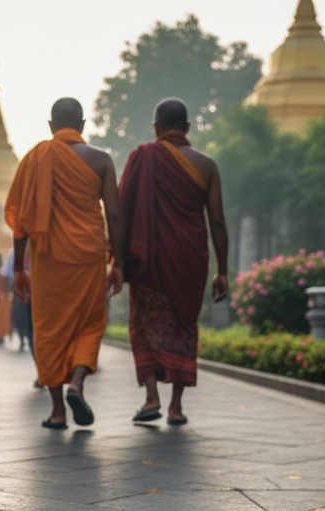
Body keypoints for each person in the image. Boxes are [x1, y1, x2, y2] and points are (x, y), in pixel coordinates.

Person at [6, 98, 124, 429]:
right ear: (83, 125)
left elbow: (22, 220)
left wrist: (19, 268)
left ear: (50, 126)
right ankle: (78, 383)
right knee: (90, 323)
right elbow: (114, 213)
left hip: (49, 259)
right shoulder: (101, 160)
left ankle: (58, 411)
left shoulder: (35, 158)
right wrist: (118, 262)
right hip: (88, 255)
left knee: (49, 330)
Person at [118, 97, 228, 426]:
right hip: (189, 259)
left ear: (156, 129)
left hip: (148, 258)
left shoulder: (142, 157)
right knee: (183, 327)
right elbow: (218, 221)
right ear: (188, 128)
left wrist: (118, 261)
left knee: (146, 323)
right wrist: (222, 270)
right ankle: (175, 407)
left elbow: (122, 210)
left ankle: (151, 396)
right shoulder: (206, 165)